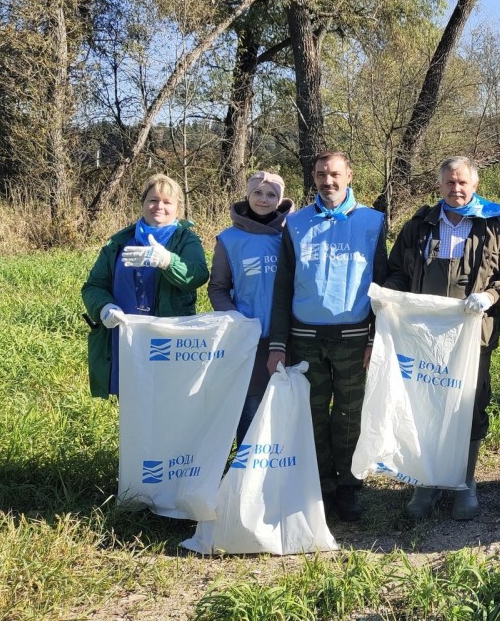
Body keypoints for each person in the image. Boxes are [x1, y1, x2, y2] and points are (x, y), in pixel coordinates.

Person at [384, 156, 500, 521]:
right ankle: (427, 482)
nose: (456, 188)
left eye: (463, 183)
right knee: (427, 404)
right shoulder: (420, 226)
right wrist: (394, 299)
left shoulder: (494, 226)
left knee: (470, 405)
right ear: (440, 184)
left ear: (474, 186)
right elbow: (397, 271)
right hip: (424, 336)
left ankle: (465, 482)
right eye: (449, 182)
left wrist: (492, 296)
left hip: (472, 337)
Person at [267, 152, 388, 524]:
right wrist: (278, 343)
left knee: (350, 414)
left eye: (335, 174)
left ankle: (350, 486)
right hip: (305, 337)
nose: (328, 181)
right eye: (321, 174)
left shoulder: (373, 221)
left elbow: (384, 285)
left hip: (354, 338)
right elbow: (283, 285)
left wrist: (376, 337)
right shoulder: (296, 223)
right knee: (313, 414)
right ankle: (320, 486)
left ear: (349, 175)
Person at [82, 174, 209, 398]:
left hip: (167, 339)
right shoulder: (118, 242)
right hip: (127, 337)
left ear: (177, 208)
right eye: (153, 200)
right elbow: (94, 285)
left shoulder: (186, 240)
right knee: (131, 404)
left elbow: (197, 275)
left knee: (168, 401)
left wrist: (167, 261)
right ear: (143, 204)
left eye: (167, 202)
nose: (159, 206)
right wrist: (104, 308)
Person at [208, 170, 293, 444]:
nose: (264, 199)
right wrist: (235, 320)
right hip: (250, 339)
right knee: (251, 407)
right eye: (257, 192)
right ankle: (245, 471)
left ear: (280, 200)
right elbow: (218, 287)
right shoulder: (229, 240)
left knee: (289, 404)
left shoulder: (293, 235)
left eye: (271, 195)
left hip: (291, 335)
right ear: (248, 195)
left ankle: (287, 471)